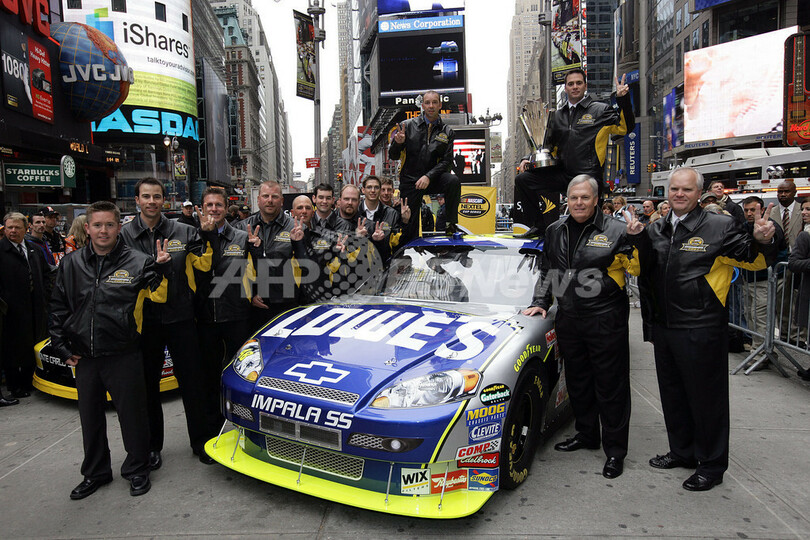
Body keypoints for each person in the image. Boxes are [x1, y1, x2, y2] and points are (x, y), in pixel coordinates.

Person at [628, 167, 775, 492]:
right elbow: (642, 269)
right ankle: (682, 452)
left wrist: (763, 240)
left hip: (702, 327)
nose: (679, 194)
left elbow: (754, 260)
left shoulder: (720, 226)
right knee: (673, 395)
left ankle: (711, 465)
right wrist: (636, 239)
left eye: (687, 190)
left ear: (699, 193)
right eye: (674, 189)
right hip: (664, 327)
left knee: (707, 400)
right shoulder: (656, 228)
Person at [50, 201, 171, 500]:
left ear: (119, 227)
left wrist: (161, 268)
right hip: (85, 356)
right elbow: (58, 307)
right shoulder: (70, 263)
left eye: (109, 225)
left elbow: (159, 297)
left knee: (133, 417)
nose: (103, 230)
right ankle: (95, 473)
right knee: (90, 419)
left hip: (124, 353)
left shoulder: (139, 261)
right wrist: (61, 346)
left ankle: (138, 469)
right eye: (97, 225)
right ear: (87, 228)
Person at [523, 175, 638, 479]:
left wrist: (638, 240)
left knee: (611, 387)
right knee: (578, 382)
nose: (578, 203)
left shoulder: (617, 230)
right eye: (574, 197)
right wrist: (540, 301)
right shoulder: (555, 229)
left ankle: (615, 452)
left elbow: (638, 268)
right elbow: (547, 270)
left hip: (606, 319)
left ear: (596, 200)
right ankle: (587, 434)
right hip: (569, 319)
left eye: (585, 197)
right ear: (567, 199)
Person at [120, 178, 219, 469]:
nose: (151, 201)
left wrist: (208, 234)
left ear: (164, 200)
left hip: (182, 318)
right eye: (146, 196)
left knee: (193, 384)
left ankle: (201, 442)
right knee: (148, 387)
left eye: (157, 196)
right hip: (144, 323)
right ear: (137, 200)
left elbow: (206, 267)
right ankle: (152, 447)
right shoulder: (124, 235)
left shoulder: (185, 231)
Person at [514, 70, 634, 238]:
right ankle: (539, 227)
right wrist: (527, 159)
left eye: (578, 83)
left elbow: (625, 127)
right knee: (523, 179)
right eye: (571, 84)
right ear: (565, 88)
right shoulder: (556, 115)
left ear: (585, 86)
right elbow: (547, 145)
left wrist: (623, 99)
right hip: (563, 173)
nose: (575, 87)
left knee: (588, 230)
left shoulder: (600, 110)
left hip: (588, 176)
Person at [195, 187, 258, 405]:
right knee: (208, 376)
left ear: (226, 207)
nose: (214, 209)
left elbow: (256, 273)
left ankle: (240, 416)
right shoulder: (193, 237)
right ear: (202, 208)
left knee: (240, 373)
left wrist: (257, 252)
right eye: (209, 205)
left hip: (237, 316)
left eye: (218, 205)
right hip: (204, 318)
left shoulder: (242, 237)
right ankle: (213, 420)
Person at [388, 90, 461, 235]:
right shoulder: (406, 126)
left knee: (453, 181)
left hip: (433, 179)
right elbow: (393, 155)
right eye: (427, 103)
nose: (431, 106)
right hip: (410, 181)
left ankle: (450, 224)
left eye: (434, 102)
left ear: (440, 105)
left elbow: (447, 161)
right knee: (410, 226)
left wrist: (428, 176)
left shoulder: (447, 131)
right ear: (422, 105)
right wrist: (398, 143)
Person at [0, 213, 51, 398]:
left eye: (17, 227)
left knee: (33, 344)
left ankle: (30, 381)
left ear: (26, 228)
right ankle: (15, 385)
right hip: (10, 311)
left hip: (35, 307)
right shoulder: (2, 250)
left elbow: (46, 274)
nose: (13, 231)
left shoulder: (33, 249)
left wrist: (45, 296)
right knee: (12, 348)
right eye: (9, 227)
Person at [237, 180, 296, 331]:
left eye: (274, 196)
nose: (270, 200)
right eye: (265, 196)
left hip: (287, 305)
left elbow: (304, 266)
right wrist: (251, 294)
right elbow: (236, 267)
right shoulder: (242, 227)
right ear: (258, 199)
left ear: (281, 201)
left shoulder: (294, 228)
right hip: (255, 306)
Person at [359, 175, 403, 262]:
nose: (373, 190)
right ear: (363, 190)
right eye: (369, 187)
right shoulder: (355, 212)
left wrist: (405, 221)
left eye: (376, 187)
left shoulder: (392, 213)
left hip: (384, 264)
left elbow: (397, 244)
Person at [790, 199, 810, 380]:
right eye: (803, 209)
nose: (804, 212)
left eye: (808, 209)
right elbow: (794, 263)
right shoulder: (805, 236)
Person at [776, 181, 802, 250]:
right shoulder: (770, 213)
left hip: (799, 253)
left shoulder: (803, 211)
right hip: (777, 254)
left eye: (787, 191)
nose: (783, 194)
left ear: (794, 192)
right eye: (780, 192)